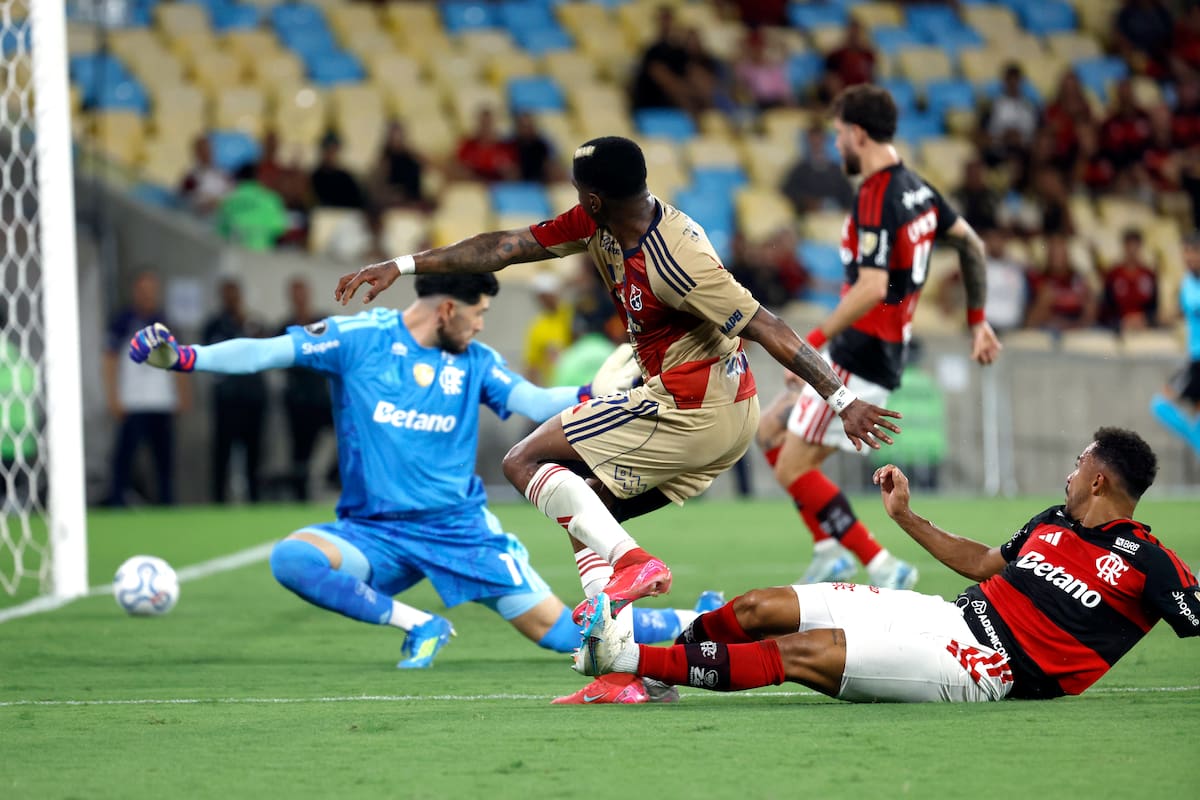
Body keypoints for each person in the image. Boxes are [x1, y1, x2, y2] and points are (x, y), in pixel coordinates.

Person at [333, 135, 900, 700]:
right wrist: (402, 264)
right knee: (584, 509)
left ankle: (635, 563)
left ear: (598, 198)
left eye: (582, 192)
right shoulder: (599, 224)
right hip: (711, 408)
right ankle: (625, 674)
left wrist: (842, 401)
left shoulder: (679, 259)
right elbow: (505, 246)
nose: (577, 201)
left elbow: (768, 325)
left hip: (692, 407)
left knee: (524, 459)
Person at [128, 272, 712, 675]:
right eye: (480, 315)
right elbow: (267, 353)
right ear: (448, 309)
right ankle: (419, 624)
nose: (483, 327)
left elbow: (535, 400)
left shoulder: (476, 363)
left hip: (460, 532)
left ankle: (700, 620)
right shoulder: (359, 340)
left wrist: (595, 395)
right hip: (374, 533)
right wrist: (183, 358)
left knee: (564, 634)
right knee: (293, 559)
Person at [576, 428, 1200, 703]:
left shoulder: (1151, 562)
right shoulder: (1052, 521)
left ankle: (625, 662)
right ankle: (650, 682)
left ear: (1097, 479)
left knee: (803, 651)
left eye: (1076, 466)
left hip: (990, 669)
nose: (1066, 475)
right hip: (947, 616)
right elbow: (984, 564)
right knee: (756, 607)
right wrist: (904, 517)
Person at [756, 84, 1001, 591]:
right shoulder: (920, 190)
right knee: (768, 434)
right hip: (875, 353)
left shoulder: (877, 194)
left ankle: (883, 564)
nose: (837, 143)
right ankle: (829, 548)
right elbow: (972, 245)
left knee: (790, 468)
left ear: (858, 134)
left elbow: (871, 288)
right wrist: (978, 318)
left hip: (856, 355)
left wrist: (809, 343)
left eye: (840, 133)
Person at [103, 271, 189, 506]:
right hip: (132, 402)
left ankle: (166, 504)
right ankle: (117, 502)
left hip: (162, 403)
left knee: (164, 460)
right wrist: (113, 398)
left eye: (152, 290)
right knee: (124, 458)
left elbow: (180, 360)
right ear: (135, 291)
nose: (147, 295)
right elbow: (109, 360)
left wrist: (182, 395)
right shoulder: (122, 322)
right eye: (143, 290)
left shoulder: (167, 323)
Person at [202, 279, 269, 503]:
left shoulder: (253, 322)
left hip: (252, 397)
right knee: (222, 452)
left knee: (254, 452)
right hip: (227, 398)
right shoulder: (213, 325)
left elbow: (266, 349)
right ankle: (218, 500)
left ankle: (254, 499)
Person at [276, 277, 335, 501]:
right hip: (296, 398)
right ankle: (299, 494)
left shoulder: (321, 322)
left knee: (346, 431)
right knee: (300, 449)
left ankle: (333, 474)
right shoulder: (285, 326)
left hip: (319, 396)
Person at [1150, 233, 1200, 456]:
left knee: (1161, 405)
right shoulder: (1187, 283)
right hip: (1194, 357)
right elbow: (1186, 312)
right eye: (1186, 253)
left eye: (1194, 253)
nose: (1189, 258)